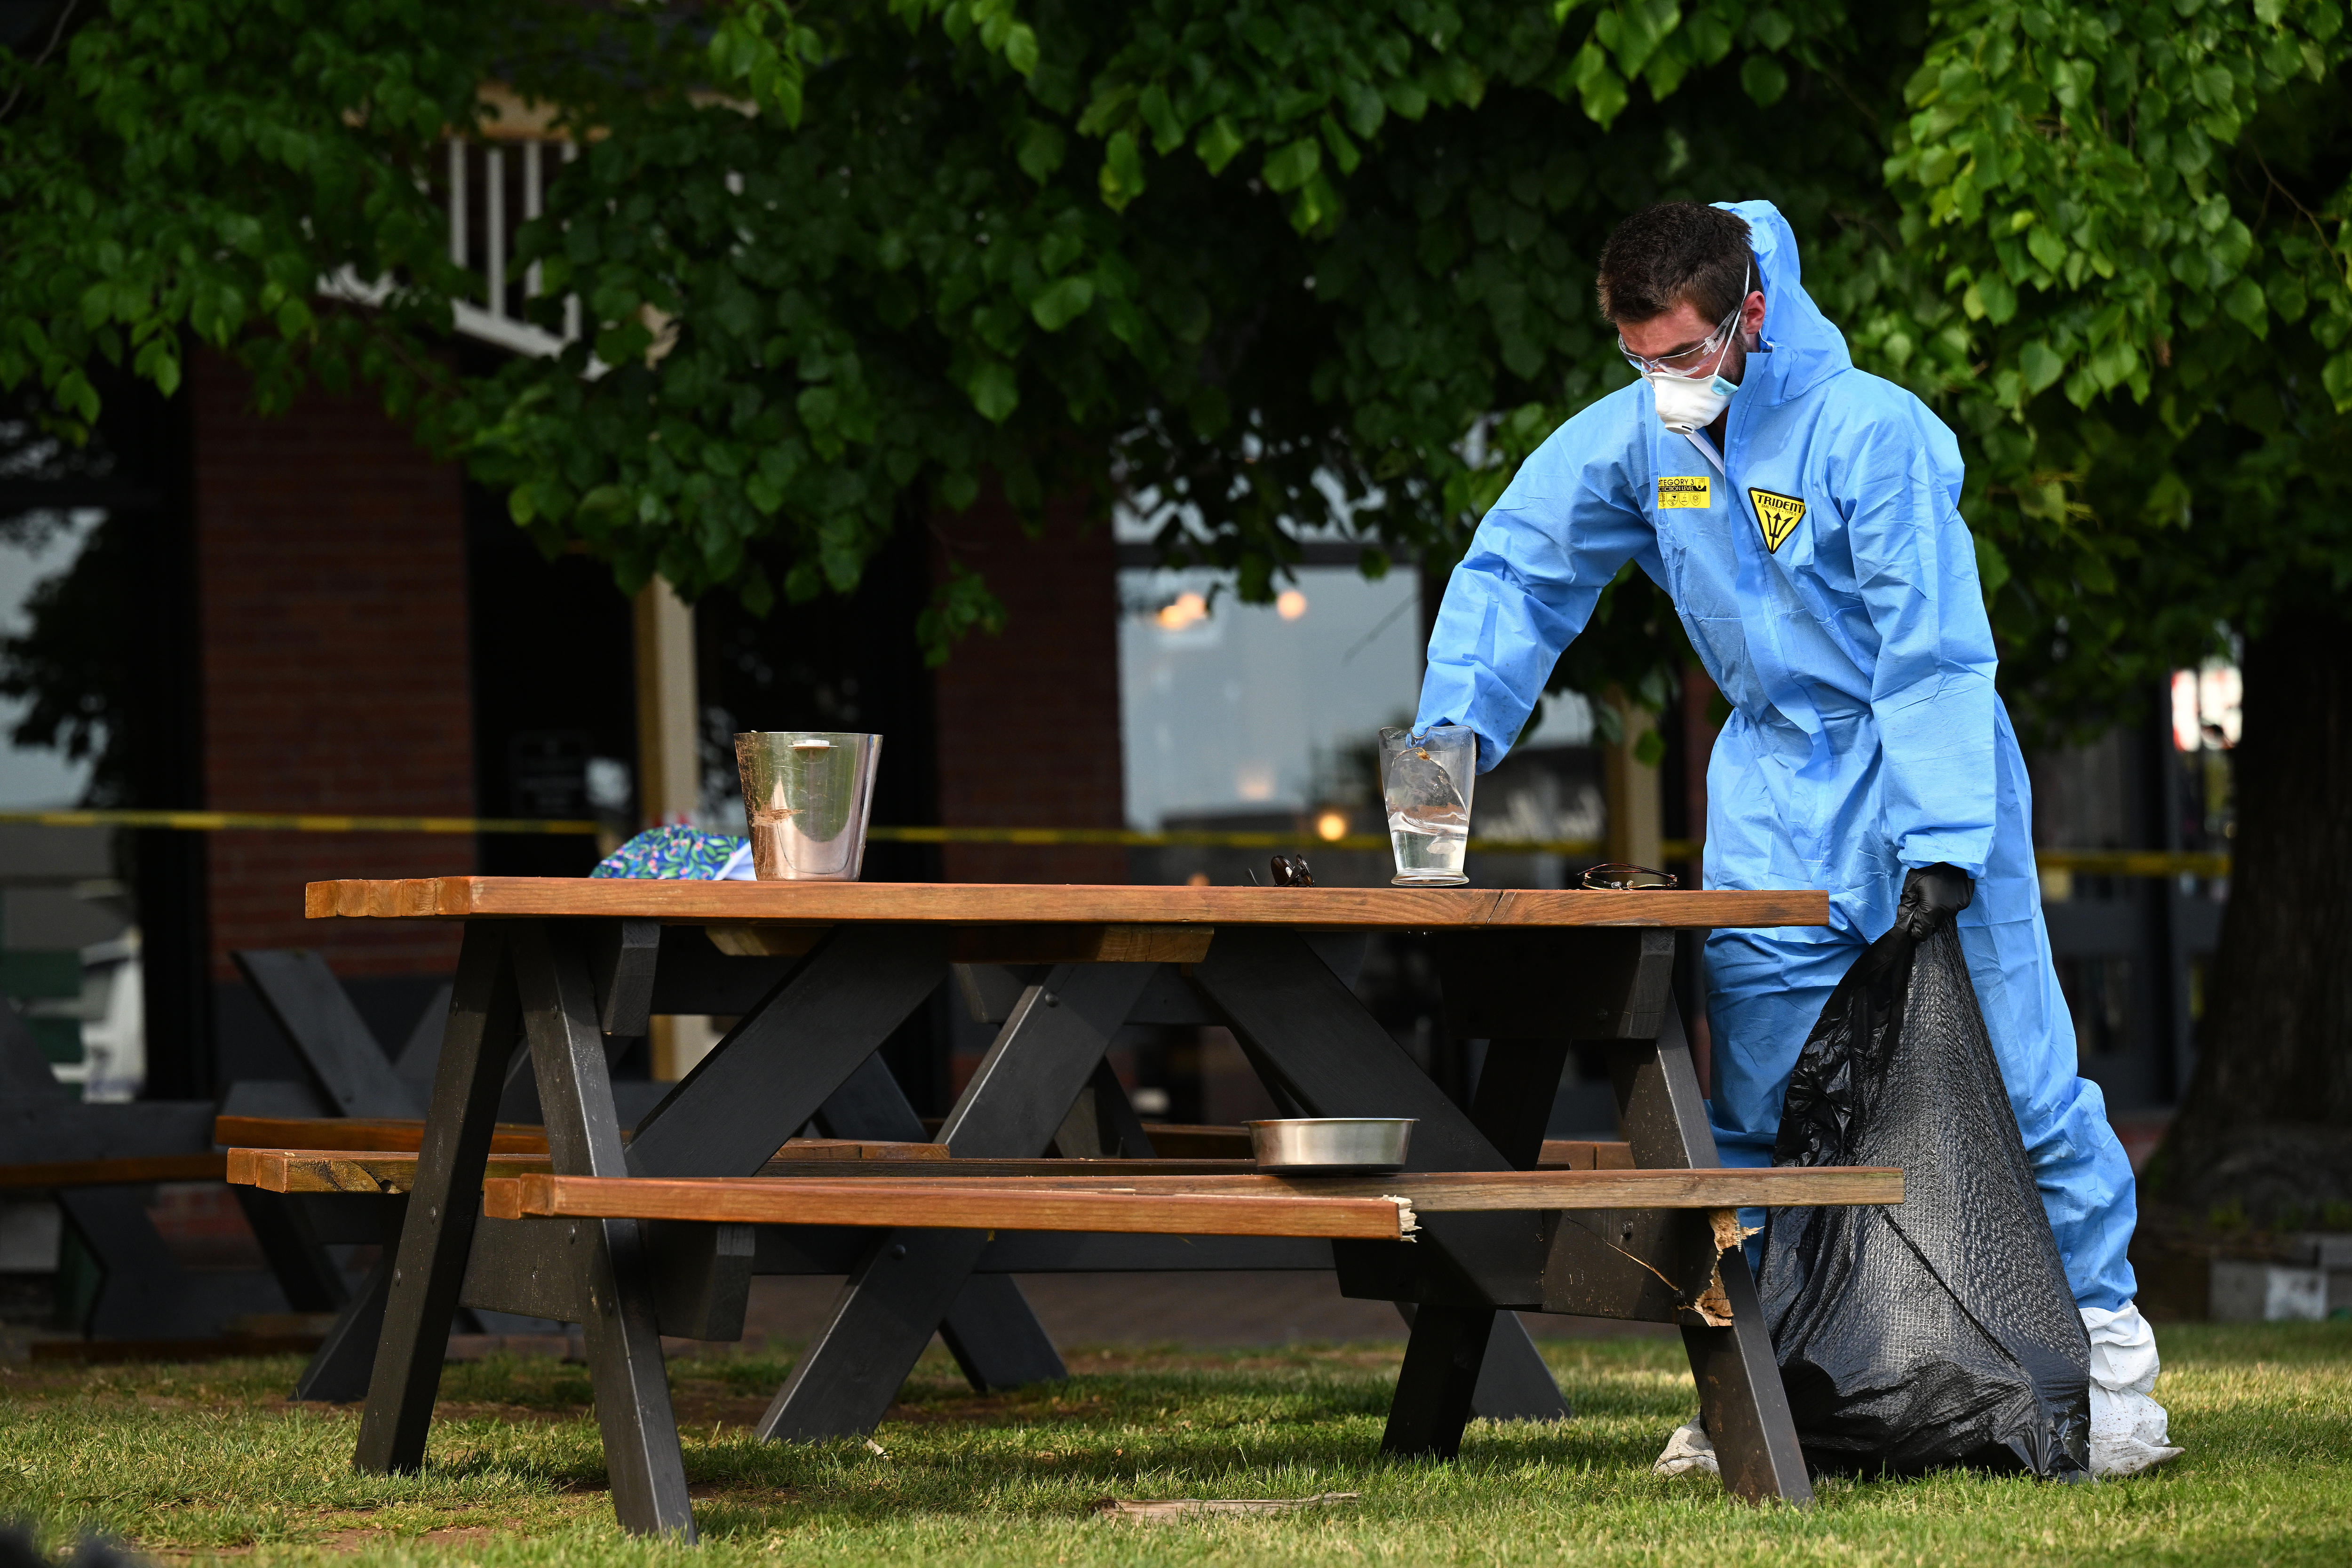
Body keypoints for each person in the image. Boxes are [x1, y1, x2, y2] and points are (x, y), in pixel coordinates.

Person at [1413, 199, 2177, 1478]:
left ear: (1748, 315)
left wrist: (1939, 835)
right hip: (1773, 784)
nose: (1660, 384)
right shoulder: (1637, 442)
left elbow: (1932, 646)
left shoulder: (1872, 435)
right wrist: (1452, 738)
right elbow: (1517, 568)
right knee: (1759, 1104)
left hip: (1913, 761)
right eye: (1636, 357)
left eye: (1680, 354)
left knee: (2021, 1079)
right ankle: (1748, 1385)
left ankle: (2108, 1366)